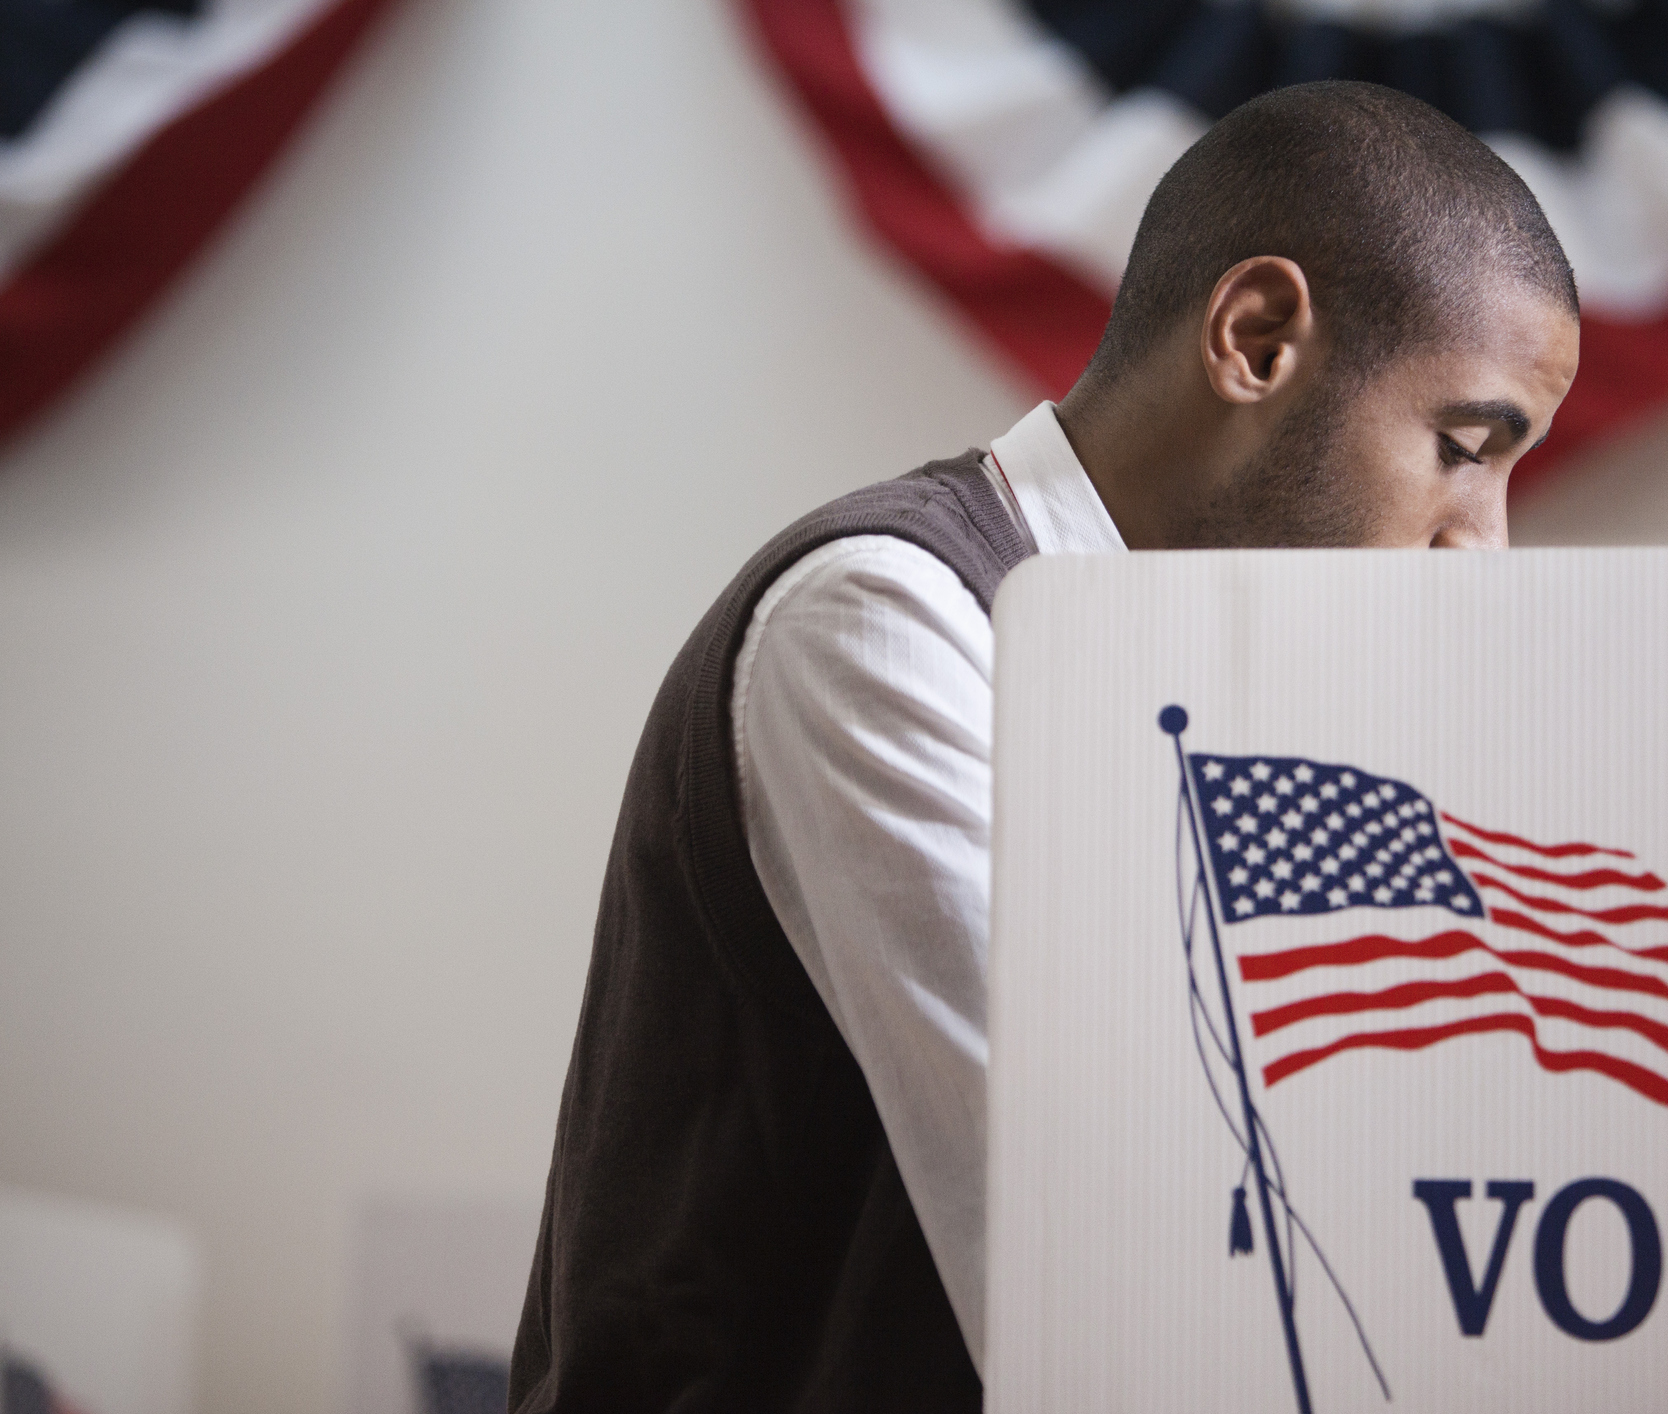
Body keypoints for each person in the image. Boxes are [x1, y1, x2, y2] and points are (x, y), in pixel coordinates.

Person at [509, 79, 1579, 1413]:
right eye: (1460, 449)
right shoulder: (887, 621)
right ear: (1253, 338)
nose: (1482, 549)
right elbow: (1105, 1269)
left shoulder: (1207, 692)